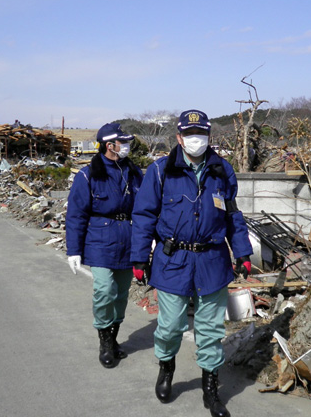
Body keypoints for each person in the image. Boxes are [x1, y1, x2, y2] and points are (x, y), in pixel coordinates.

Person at [130, 110, 253, 417]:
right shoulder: (160, 171)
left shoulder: (222, 170)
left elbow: (233, 215)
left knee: (210, 330)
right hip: (173, 260)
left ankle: (210, 389)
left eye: (202, 134)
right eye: (190, 134)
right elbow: (144, 217)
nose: (196, 140)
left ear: (209, 136)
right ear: (179, 137)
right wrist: (139, 258)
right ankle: (166, 367)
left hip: (212, 259)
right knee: (170, 326)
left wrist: (243, 252)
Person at [65, 123, 143, 368]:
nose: (127, 146)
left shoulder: (133, 172)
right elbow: (76, 215)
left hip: (127, 239)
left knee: (121, 294)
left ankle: (114, 338)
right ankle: (104, 342)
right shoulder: (88, 175)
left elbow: (146, 209)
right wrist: (74, 250)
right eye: (123, 142)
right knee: (104, 291)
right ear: (110, 145)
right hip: (100, 240)